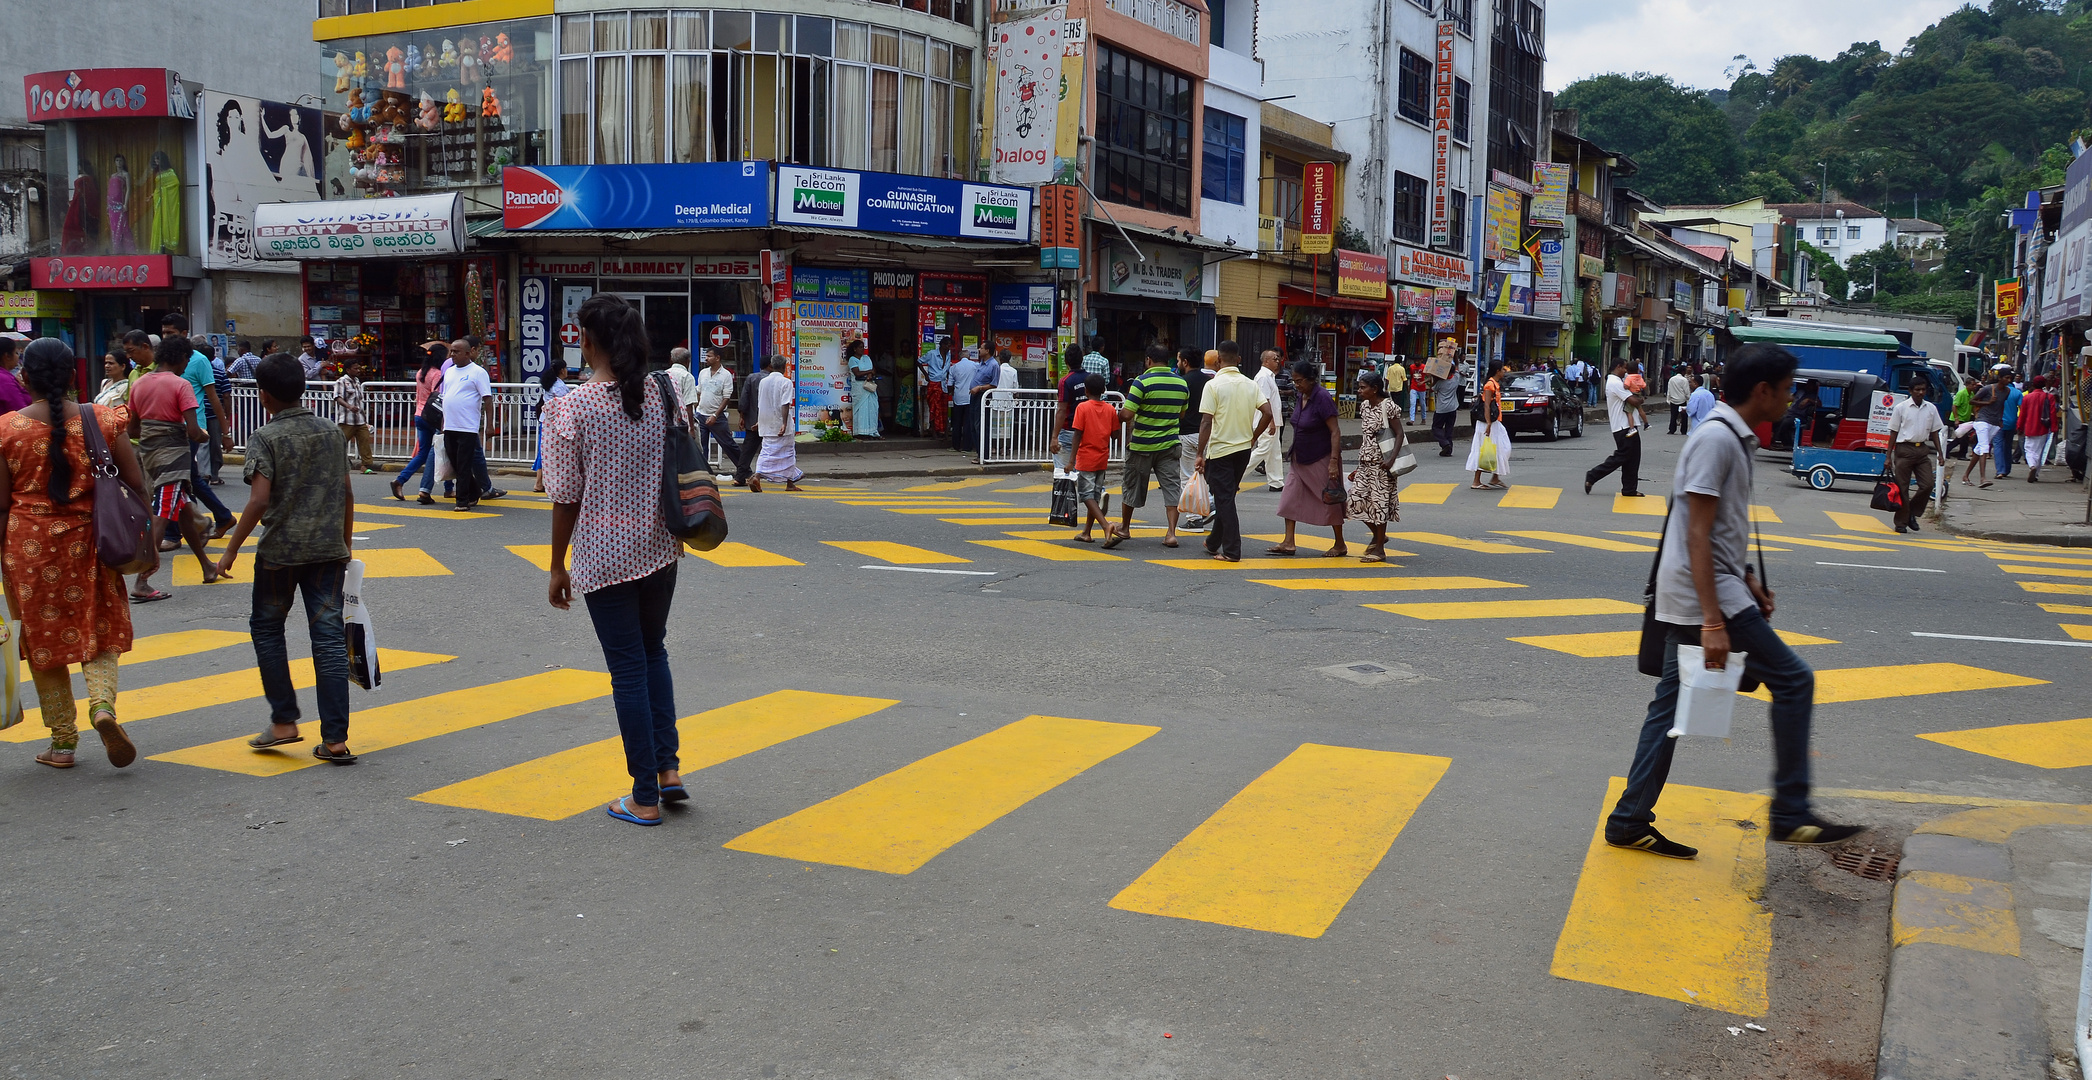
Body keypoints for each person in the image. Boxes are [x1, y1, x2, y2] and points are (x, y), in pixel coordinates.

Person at [1606, 344, 1865, 858]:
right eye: (1789, 389)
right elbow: (1696, 535)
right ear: (1763, 391)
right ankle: (1791, 812)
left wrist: (1747, 577)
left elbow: (1717, 531)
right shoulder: (1717, 440)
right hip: (1705, 596)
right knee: (1794, 680)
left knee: (1671, 710)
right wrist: (1712, 621)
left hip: (1716, 588)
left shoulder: (1735, 439)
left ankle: (1629, 819)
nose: (1794, 399)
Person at [540, 296, 686, 825]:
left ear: (589, 340)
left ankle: (643, 797)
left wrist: (558, 564)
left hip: (604, 555)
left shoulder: (573, 407)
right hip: (661, 547)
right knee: (654, 653)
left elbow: (564, 496)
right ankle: (668, 771)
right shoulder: (663, 392)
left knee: (627, 669)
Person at [0, 338, 145, 770]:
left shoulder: (6, 429)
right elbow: (134, 483)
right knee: (96, 629)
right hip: (92, 543)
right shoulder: (102, 418)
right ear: (72, 377)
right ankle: (102, 708)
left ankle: (62, 743)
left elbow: (2, 504)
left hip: (28, 548)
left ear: (25, 378)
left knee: (42, 643)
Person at [216, 353, 357, 764]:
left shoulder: (266, 436)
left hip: (280, 553)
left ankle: (283, 720)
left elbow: (259, 498)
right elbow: (347, 494)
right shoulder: (332, 431)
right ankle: (335, 740)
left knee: (267, 628)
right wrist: (344, 546)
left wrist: (231, 547)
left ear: (263, 395)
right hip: (329, 552)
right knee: (328, 639)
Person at [128, 335, 225, 597]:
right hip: (174, 458)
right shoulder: (181, 385)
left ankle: (207, 566)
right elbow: (194, 431)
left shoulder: (139, 384)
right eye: (186, 361)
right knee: (162, 514)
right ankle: (142, 581)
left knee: (180, 510)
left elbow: (133, 427)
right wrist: (204, 436)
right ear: (182, 358)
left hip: (150, 456)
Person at [1194, 341, 1272, 563]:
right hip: (1243, 450)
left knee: (1224, 498)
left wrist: (1200, 453)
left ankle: (1232, 550)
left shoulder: (1213, 386)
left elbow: (1206, 422)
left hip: (1221, 450)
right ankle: (1213, 541)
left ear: (1218, 361)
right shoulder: (1250, 384)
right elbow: (1267, 412)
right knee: (1226, 496)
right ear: (1238, 360)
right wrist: (1254, 436)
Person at [1110, 343, 1188, 550]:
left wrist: (1116, 417)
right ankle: (1171, 533)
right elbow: (1181, 414)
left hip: (1142, 445)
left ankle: (1125, 527)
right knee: (1172, 488)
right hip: (1170, 444)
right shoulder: (1181, 384)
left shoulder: (1141, 382)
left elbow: (1127, 414)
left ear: (1148, 360)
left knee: (1132, 485)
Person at [160, 314, 234, 532]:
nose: (166, 337)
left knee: (182, 477)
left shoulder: (198, 360)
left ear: (184, 334)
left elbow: (214, 397)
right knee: (187, 477)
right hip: (168, 426)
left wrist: (225, 432)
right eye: (163, 332)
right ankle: (215, 518)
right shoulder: (162, 359)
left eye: (170, 333)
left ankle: (178, 529)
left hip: (191, 427)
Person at [1271, 359, 1347, 558]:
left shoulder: (1322, 397)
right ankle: (1288, 542)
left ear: (1311, 380)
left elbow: (1335, 432)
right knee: (1289, 497)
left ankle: (1339, 543)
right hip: (1299, 456)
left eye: (1299, 381)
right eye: (1294, 381)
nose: (1297, 385)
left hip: (1320, 457)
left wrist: (1333, 461)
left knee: (1329, 499)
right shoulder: (1300, 395)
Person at [1346, 367, 1401, 563]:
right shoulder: (1364, 407)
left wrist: (1391, 459)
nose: (1359, 391)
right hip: (1365, 462)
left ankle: (1379, 549)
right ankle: (1380, 537)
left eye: (1363, 388)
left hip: (1382, 465)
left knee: (1379, 506)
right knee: (1354, 502)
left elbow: (1399, 434)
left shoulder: (1388, 406)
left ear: (1375, 389)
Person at [1886, 374, 1946, 534]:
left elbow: (1934, 432)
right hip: (1904, 450)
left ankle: (1912, 512)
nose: (1921, 392)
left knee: (1927, 485)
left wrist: (1940, 453)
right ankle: (1901, 523)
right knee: (1902, 488)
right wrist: (1888, 457)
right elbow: (1893, 432)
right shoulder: (1901, 408)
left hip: (1921, 450)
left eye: (1923, 389)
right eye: (1917, 389)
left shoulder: (1931, 408)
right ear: (1911, 391)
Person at [441, 337, 495, 510]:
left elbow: (487, 400)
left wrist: (489, 425)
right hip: (450, 425)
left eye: (456, 351)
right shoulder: (449, 371)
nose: (452, 354)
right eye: (451, 351)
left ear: (467, 353)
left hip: (467, 426)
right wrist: (443, 421)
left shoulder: (478, 372)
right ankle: (474, 490)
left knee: (464, 464)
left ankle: (462, 501)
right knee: (455, 464)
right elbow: (446, 397)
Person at [393, 343, 448, 503]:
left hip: (419, 414)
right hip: (432, 417)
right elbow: (437, 398)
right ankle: (447, 488)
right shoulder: (437, 374)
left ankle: (400, 480)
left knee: (423, 453)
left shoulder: (421, 373)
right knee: (441, 450)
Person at [1067, 374, 1118, 544]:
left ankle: (1105, 526)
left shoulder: (1083, 408)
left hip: (1086, 458)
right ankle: (1086, 532)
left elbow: (1077, 434)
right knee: (1094, 496)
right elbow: (1115, 435)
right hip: (1102, 458)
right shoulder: (1110, 409)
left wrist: (1070, 460)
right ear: (1104, 390)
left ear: (1086, 391)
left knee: (1086, 494)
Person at [1584, 358, 1645, 497]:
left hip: (1627, 426)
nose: (1626, 371)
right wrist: (1641, 399)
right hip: (1624, 426)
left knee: (1632, 459)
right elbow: (1634, 401)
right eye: (1624, 368)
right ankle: (1593, 475)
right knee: (1622, 457)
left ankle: (1629, 489)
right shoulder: (1615, 383)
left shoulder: (1617, 382)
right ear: (1618, 367)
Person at [1174, 347, 1214, 532]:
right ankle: (1209, 505)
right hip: (1208, 434)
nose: (1177, 363)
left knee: (1187, 476)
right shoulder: (1210, 382)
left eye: (1178, 360)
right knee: (1204, 474)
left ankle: (1194, 518)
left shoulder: (1182, 383)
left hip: (1187, 434)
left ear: (1185, 362)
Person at [751, 355, 803, 492]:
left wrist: (759, 421)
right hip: (780, 422)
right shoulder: (785, 382)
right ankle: (790, 483)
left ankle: (757, 476)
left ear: (772, 366)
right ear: (784, 367)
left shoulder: (763, 381)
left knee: (766, 451)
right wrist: (784, 423)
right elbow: (785, 404)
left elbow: (761, 403)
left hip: (766, 422)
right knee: (788, 453)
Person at [693, 348, 743, 473]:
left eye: (709, 356)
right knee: (701, 446)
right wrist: (695, 410)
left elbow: (726, 397)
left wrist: (715, 415)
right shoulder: (703, 373)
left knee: (728, 444)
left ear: (717, 358)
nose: (706, 358)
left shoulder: (726, 375)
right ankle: (703, 472)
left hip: (717, 416)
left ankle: (743, 468)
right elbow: (699, 391)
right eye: (706, 356)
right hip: (700, 414)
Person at [1467, 362, 1511, 490]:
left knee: (1503, 448)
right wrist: (1488, 423)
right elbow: (1486, 405)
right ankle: (1476, 481)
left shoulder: (1495, 384)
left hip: (1495, 422)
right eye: (1503, 370)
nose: (1504, 372)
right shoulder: (1489, 385)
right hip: (1488, 423)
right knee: (1483, 450)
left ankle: (1495, 477)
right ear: (1497, 371)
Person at [530, 364, 571, 492]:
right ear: (562, 370)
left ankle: (539, 482)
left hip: (546, 421)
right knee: (552, 452)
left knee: (543, 450)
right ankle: (540, 482)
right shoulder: (559, 387)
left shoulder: (549, 384)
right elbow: (566, 404)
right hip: (555, 423)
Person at [1961, 368, 2004, 488]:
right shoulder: (1988, 389)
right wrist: (1988, 403)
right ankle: (1983, 478)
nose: (2008, 380)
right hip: (1982, 421)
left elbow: (2001, 405)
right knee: (1985, 447)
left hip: (1994, 423)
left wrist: (2000, 419)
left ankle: (1966, 475)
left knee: (1979, 449)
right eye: (2006, 377)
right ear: (2000, 378)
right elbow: (1972, 401)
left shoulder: (2006, 391)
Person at [1250, 350, 1286, 492]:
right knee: (1263, 450)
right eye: (1274, 359)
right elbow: (1265, 400)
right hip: (1266, 421)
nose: (1277, 361)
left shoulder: (1269, 376)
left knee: (1274, 452)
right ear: (1266, 361)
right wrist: (1270, 421)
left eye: (1277, 359)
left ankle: (1276, 482)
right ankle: (1236, 474)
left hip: (1273, 420)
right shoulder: (1263, 377)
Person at [333, 362, 376, 474]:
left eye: (358, 368)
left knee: (364, 441)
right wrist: (349, 406)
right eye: (355, 368)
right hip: (347, 419)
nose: (358, 370)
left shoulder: (357, 381)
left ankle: (365, 465)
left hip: (360, 419)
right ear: (348, 370)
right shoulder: (341, 382)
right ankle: (335, 462)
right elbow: (337, 397)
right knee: (340, 442)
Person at [1053, 349, 1090, 473]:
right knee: (1086, 471)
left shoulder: (1065, 381)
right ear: (1082, 359)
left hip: (1069, 431)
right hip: (1088, 431)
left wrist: (1054, 437)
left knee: (1064, 474)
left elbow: (1061, 410)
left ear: (1066, 361)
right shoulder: (1090, 379)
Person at [732, 353, 765, 488]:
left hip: (752, 420)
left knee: (747, 450)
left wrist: (742, 416)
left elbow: (744, 399)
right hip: (769, 421)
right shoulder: (774, 380)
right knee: (773, 449)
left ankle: (740, 476)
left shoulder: (751, 378)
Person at [2020, 375, 2058, 482]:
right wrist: (2054, 427)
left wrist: (2019, 427)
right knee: (2040, 451)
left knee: (2029, 449)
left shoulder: (2027, 397)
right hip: (2043, 427)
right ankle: (2035, 473)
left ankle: (2032, 466)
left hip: (2029, 427)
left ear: (2033, 384)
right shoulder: (2049, 397)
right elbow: (2052, 413)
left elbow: (2023, 414)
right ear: (2044, 384)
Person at [966, 348, 1002, 455]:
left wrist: (980, 388)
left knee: (980, 425)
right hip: (974, 395)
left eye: (981, 348)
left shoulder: (994, 365)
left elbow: (994, 384)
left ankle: (984, 454)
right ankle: (979, 452)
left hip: (983, 396)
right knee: (973, 425)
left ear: (987, 350)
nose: (978, 349)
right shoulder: (981, 363)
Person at [948, 348, 980, 452]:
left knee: (956, 423)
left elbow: (949, 385)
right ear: (969, 357)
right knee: (968, 423)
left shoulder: (954, 367)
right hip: (970, 397)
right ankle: (967, 447)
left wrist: (952, 393)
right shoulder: (975, 365)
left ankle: (955, 446)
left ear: (959, 357)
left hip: (958, 398)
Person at [847, 340, 880, 439]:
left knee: (872, 409)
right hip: (859, 388)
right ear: (855, 349)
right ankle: (861, 432)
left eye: (863, 347)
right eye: (860, 347)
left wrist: (870, 374)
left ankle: (872, 431)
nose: (862, 349)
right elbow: (857, 373)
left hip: (869, 387)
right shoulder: (852, 360)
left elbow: (874, 370)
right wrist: (869, 371)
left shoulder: (867, 358)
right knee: (861, 409)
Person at [663, 346, 702, 430]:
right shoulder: (687, 376)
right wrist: (691, 428)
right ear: (688, 361)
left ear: (671, 360)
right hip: (682, 423)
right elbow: (689, 405)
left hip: (666, 421)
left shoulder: (664, 375)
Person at [1995, 371, 2024, 480]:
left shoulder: (1998, 391)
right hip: (2012, 422)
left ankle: (2000, 470)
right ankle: (2007, 469)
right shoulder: (2017, 393)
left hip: (1999, 422)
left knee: (1998, 445)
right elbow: (2022, 409)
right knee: (2007, 446)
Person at [1429, 360, 1461, 457]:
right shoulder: (1456, 378)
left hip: (1441, 409)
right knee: (1449, 429)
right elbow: (1457, 369)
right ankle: (1448, 449)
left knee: (1436, 427)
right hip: (1453, 408)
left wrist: (1434, 378)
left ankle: (1444, 443)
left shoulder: (1440, 382)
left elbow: (1431, 388)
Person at [921, 337, 952, 439]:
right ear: (942, 345)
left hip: (943, 384)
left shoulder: (948, 355)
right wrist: (926, 374)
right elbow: (919, 361)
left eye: (949, 345)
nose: (948, 347)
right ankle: (934, 432)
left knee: (943, 409)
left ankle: (942, 431)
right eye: (947, 345)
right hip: (934, 383)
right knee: (934, 408)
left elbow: (946, 370)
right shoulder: (932, 354)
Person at [0, 336, 32, 415]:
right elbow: (20, 411)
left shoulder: (6, 377)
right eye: (16, 353)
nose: (18, 356)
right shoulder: (4, 380)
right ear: (7, 356)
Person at [1665, 367, 1692, 434]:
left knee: (1673, 416)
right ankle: (1683, 430)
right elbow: (1686, 391)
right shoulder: (1684, 380)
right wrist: (1688, 398)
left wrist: (1668, 399)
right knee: (1684, 416)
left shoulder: (1671, 379)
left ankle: (1672, 429)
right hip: (1682, 400)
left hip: (1673, 400)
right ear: (1683, 372)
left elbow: (1669, 390)